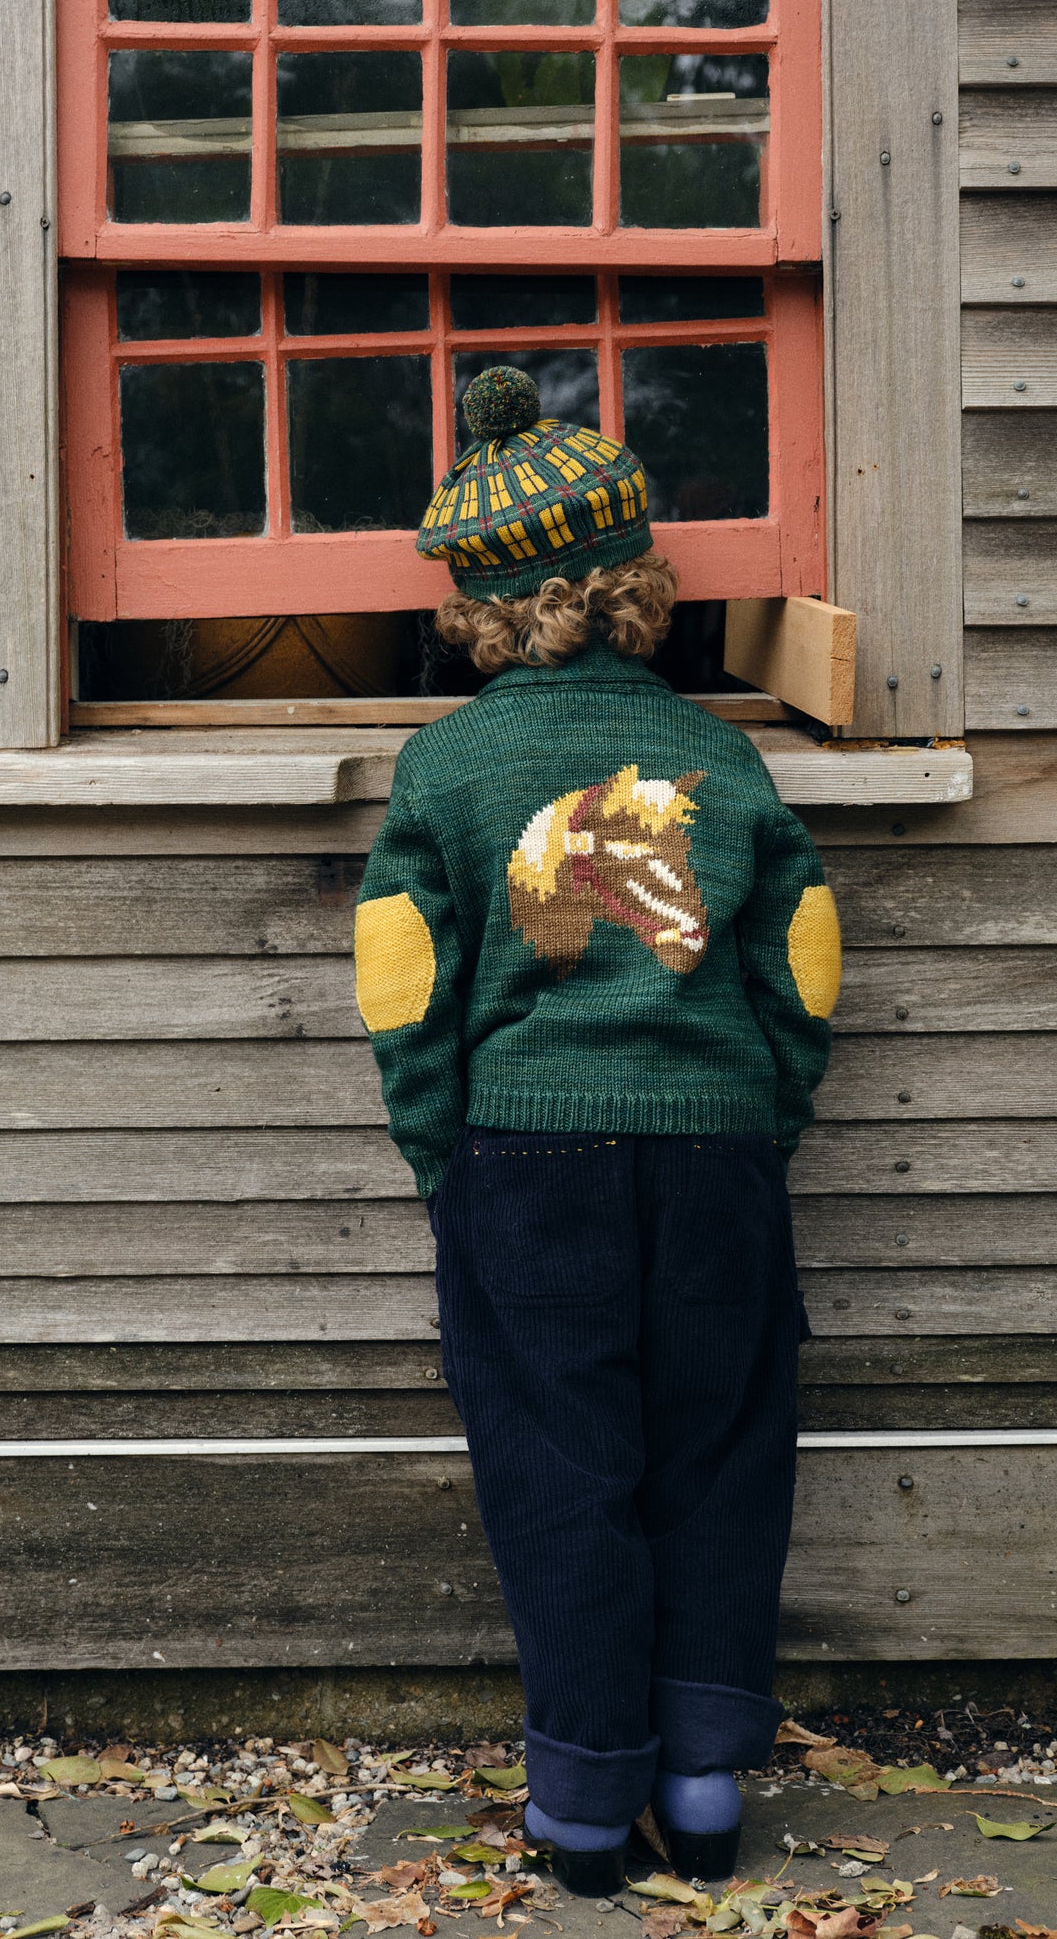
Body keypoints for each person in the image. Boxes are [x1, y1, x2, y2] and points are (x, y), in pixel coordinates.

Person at [353, 367, 840, 1897]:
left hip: (523, 1162)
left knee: (558, 1467)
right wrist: (760, 1117)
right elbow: (803, 956)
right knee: (720, 1452)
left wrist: (446, 1155)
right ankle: (701, 1794)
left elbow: (401, 979)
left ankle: (576, 1815)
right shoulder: (731, 760)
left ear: (480, 613)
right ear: (636, 584)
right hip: (712, 1154)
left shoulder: (444, 767)